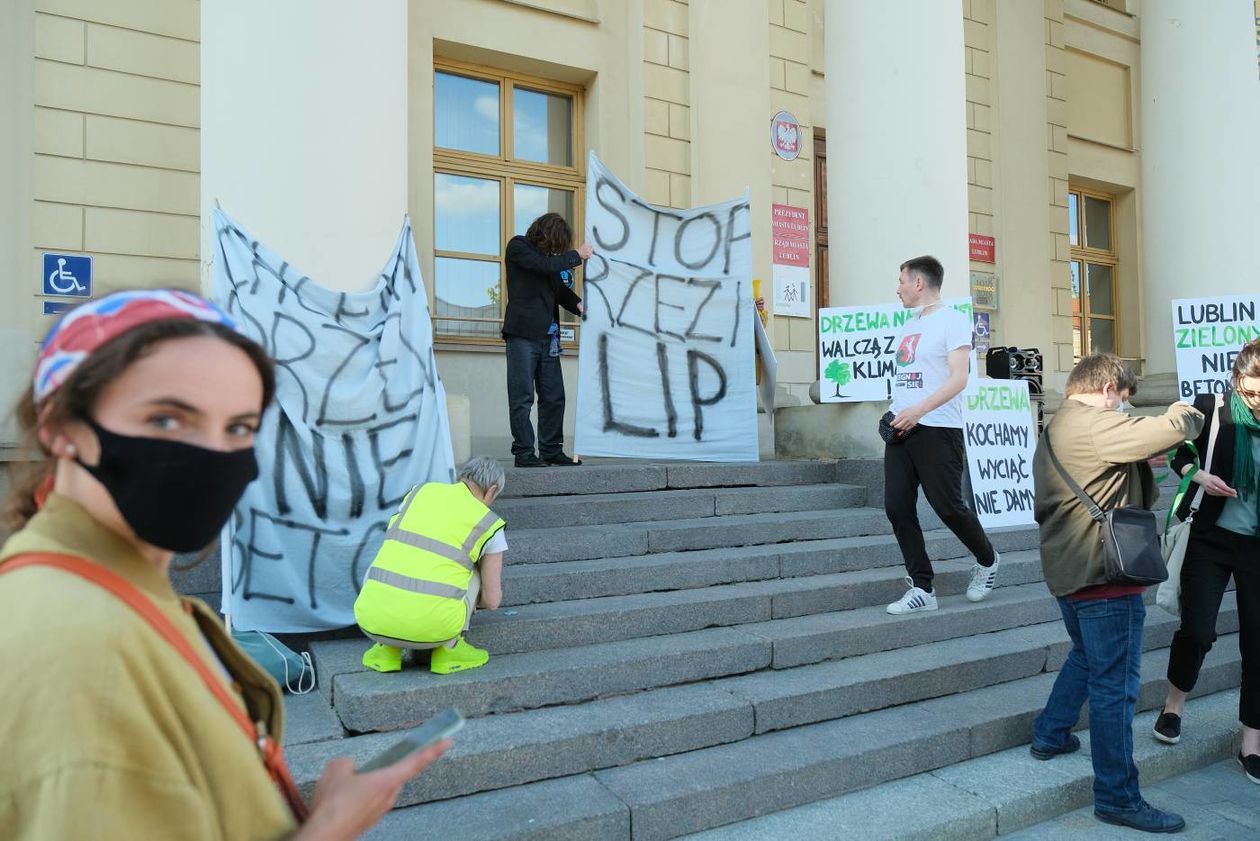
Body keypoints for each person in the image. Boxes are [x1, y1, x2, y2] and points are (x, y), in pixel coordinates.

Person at [0, 290, 448, 840]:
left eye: (238, 428)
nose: (212, 456)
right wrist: (329, 827)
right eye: (167, 419)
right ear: (61, 427)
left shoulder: (106, 591)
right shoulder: (79, 651)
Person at [1029, 352, 1203, 833]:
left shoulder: (1061, 423)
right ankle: (1117, 797)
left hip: (1072, 571)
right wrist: (1189, 407)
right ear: (1108, 389)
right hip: (1105, 575)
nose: (1124, 409)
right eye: (1124, 400)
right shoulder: (1092, 422)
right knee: (1115, 690)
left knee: (1087, 658)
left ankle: (1050, 732)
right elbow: (1177, 427)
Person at [1155, 339, 1260, 784]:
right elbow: (1175, 453)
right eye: (1252, 391)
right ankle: (1173, 706)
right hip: (1210, 537)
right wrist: (1201, 476)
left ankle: (1251, 742)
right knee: (1197, 629)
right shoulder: (1210, 407)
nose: (1257, 400)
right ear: (1238, 379)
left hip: (1256, 545)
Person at [883, 255, 1000, 615]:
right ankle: (922, 587)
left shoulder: (953, 321)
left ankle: (987, 558)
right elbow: (907, 380)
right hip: (902, 432)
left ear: (919, 283)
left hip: (939, 429)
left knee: (947, 505)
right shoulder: (907, 326)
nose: (898, 287)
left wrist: (920, 411)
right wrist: (893, 411)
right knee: (897, 506)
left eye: (901, 279)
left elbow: (959, 377)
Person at [355, 456, 506, 675]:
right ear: (491, 491)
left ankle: (386, 650)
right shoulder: (488, 522)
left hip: (371, 621)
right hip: (436, 628)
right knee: (471, 570)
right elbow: (492, 602)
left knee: (400, 553)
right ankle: (448, 650)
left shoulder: (418, 493)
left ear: (461, 478)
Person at [502, 212, 594, 468]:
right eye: (556, 244)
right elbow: (544, 267)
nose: (557, 251)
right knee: (522, 397)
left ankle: (551, 450)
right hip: (522, 336)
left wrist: (579, 305)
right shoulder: (519, 247)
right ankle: (524, 453)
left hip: (548, 338)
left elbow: (560, 290)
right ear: (547, 234)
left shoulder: (549, 260)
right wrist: (577, 255)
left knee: (554, 396)